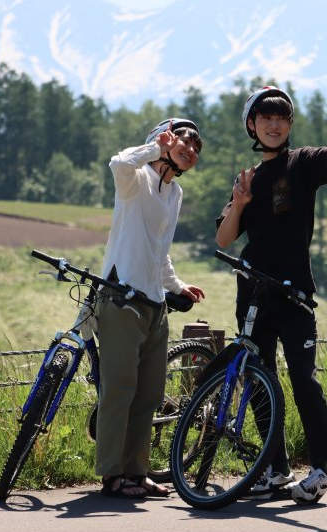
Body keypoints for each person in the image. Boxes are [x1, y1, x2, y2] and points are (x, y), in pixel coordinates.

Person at [215, 86, 327, 504]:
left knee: (304, 379)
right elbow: (225, 237)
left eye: (281, 118)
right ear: (251, 125)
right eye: (265, 118)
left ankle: (321, 468)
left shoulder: (302, 163)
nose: (274, 124)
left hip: (295, 296)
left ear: (289, 125)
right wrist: (239, 203)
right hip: (252, 293)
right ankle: (274, 469)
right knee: (259, 379)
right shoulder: (247, 178)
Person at [97, 118, 205, 498]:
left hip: (154, 305)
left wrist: (177, 286)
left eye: (196, 147)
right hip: (121, 297)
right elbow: (118, 164)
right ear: (163, 140)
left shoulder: (174, 195)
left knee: (149, 395)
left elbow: (160, 251)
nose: (190, 150)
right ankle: (112, 475)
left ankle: (136, 472)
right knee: (119, 390)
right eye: (183, 141)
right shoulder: (136, 180)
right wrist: (153, 150)